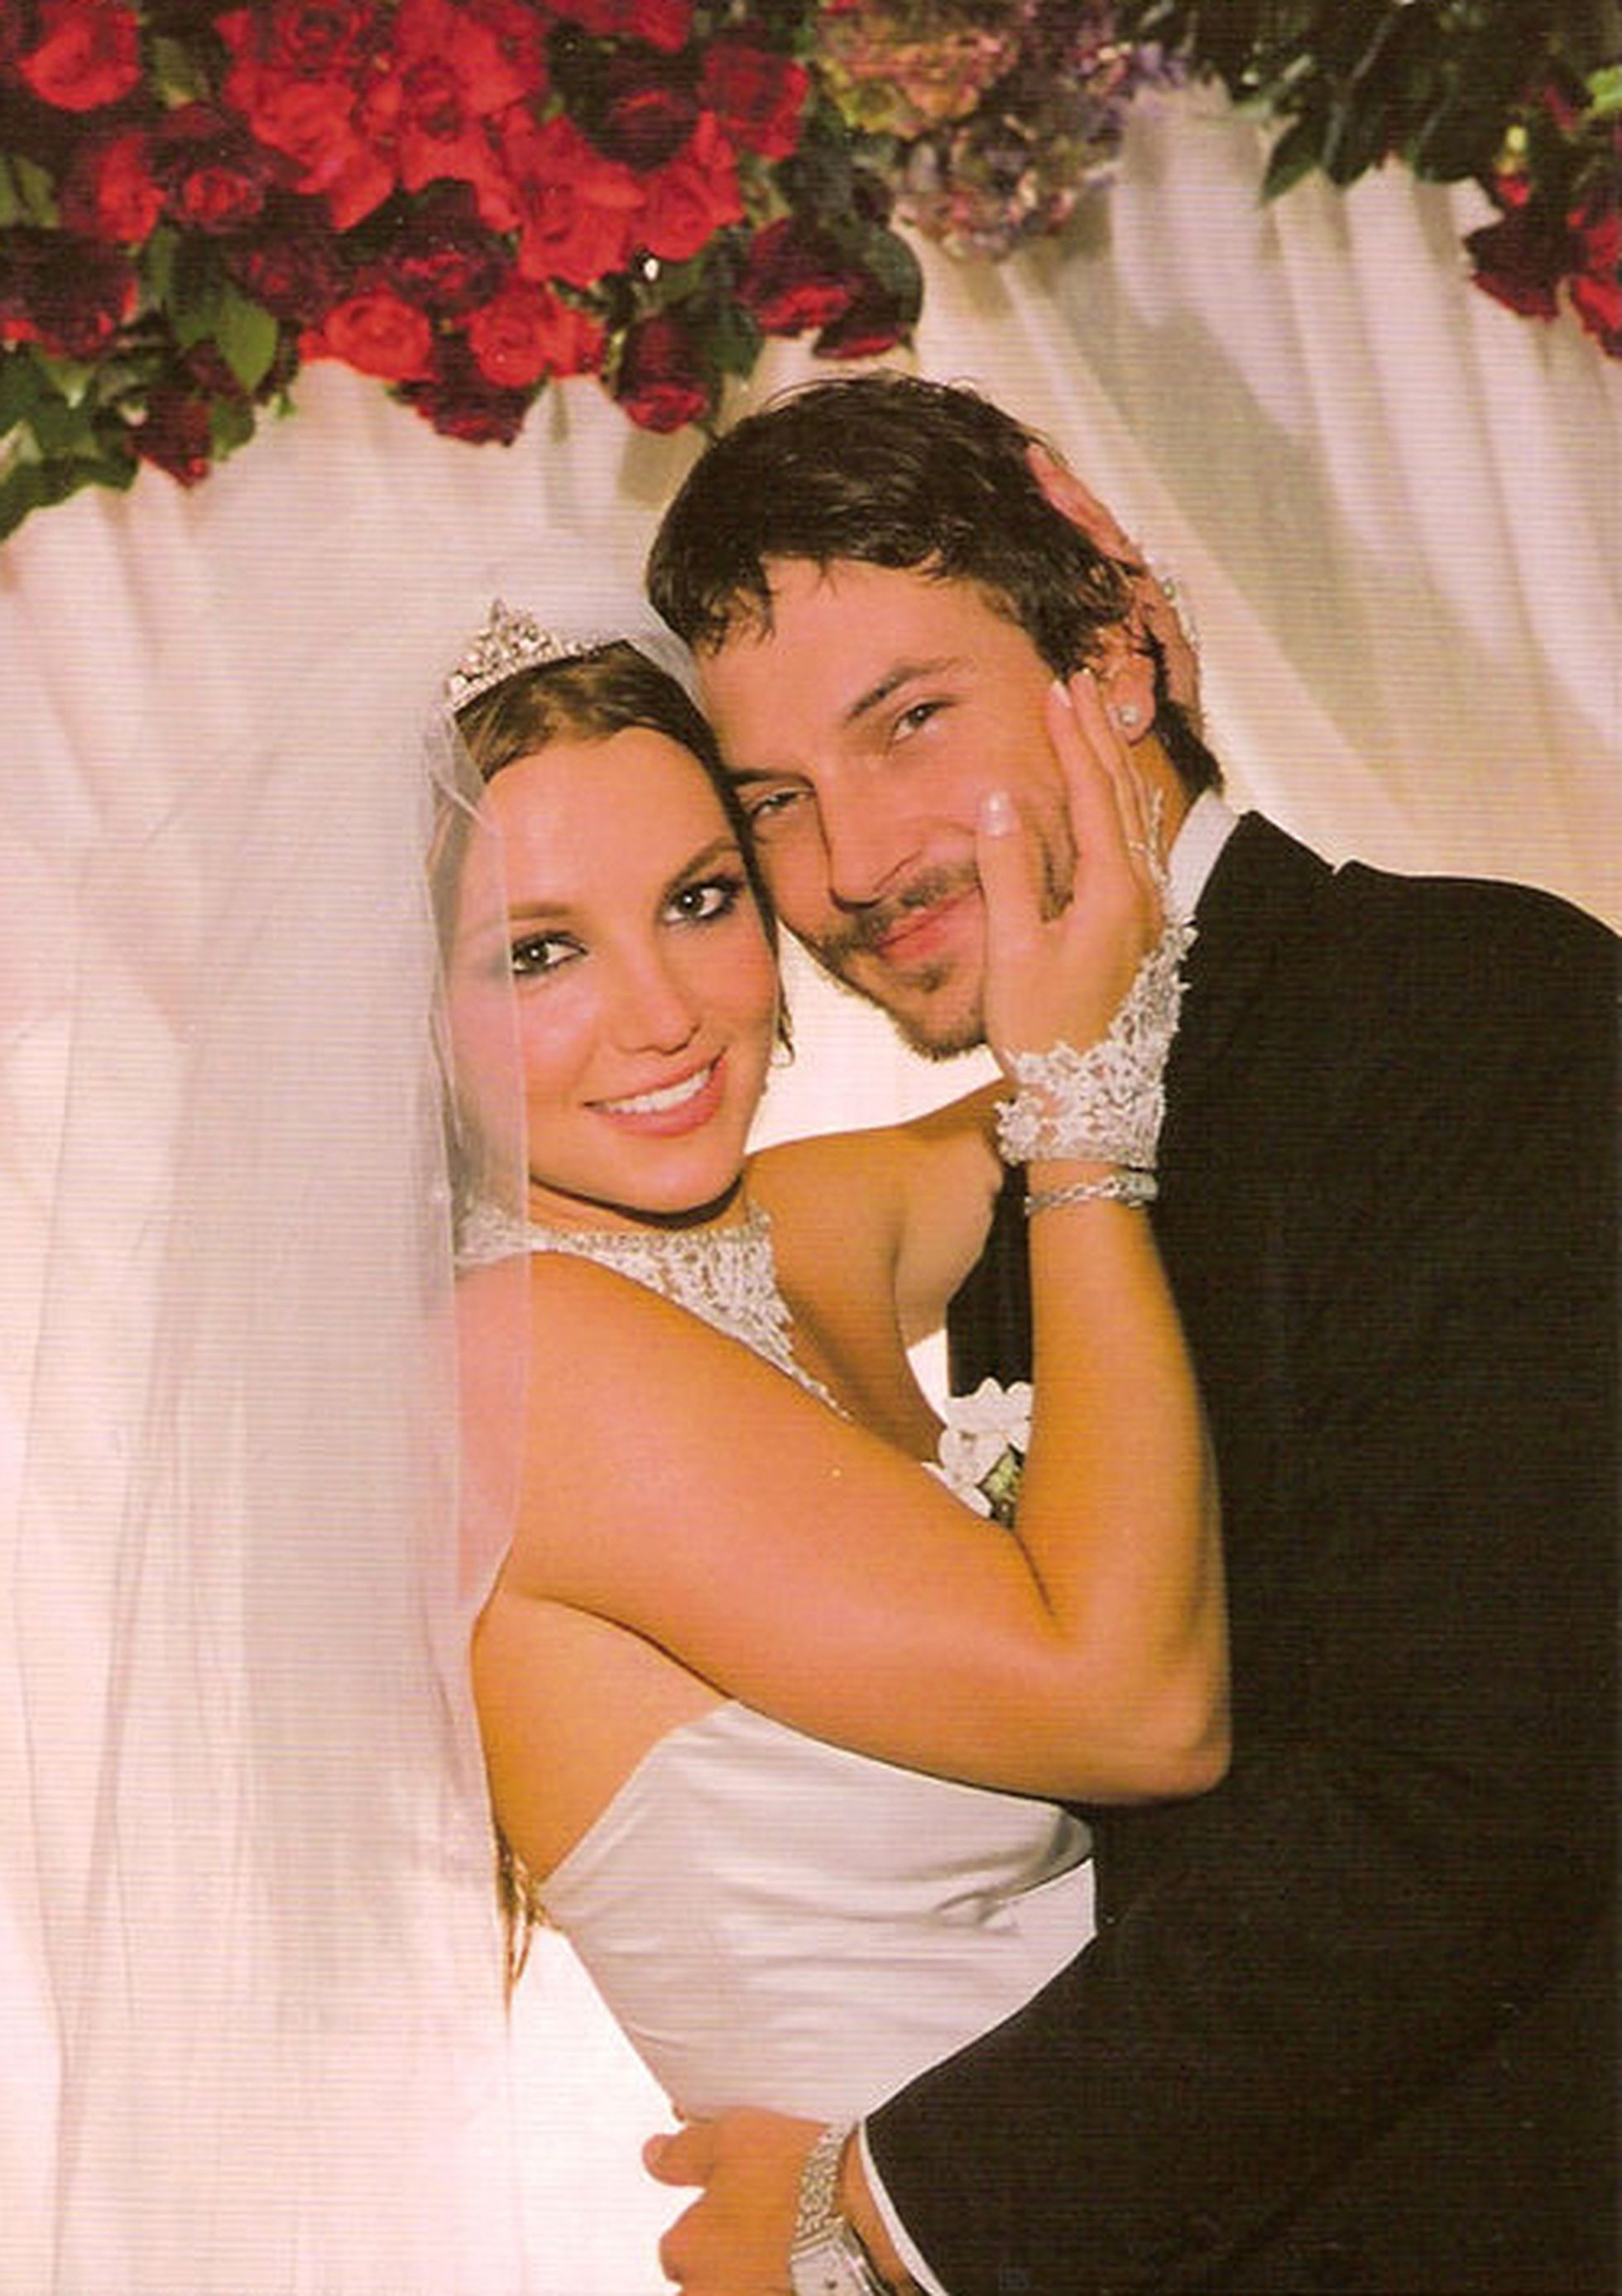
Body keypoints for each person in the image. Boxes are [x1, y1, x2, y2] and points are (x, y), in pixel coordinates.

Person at [641, 374, 1619, 2295]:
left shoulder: (1478, 1011)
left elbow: (1480, 1794)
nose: (851, 864)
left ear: (1112, 651)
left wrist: (889, 2209)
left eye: (908, 720)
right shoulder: (1044, 1160)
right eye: (773, 802)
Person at [443, 604, 1231, 2241]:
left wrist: (1119, 752)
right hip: (941, 2240)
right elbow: (1139, 1708)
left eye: (698, 899)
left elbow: (1156, 1026)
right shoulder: (518, 1357)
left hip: (1106, 2201)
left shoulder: (793, 1229)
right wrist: (1080, 1126)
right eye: (539, 951)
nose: (664, 1012)